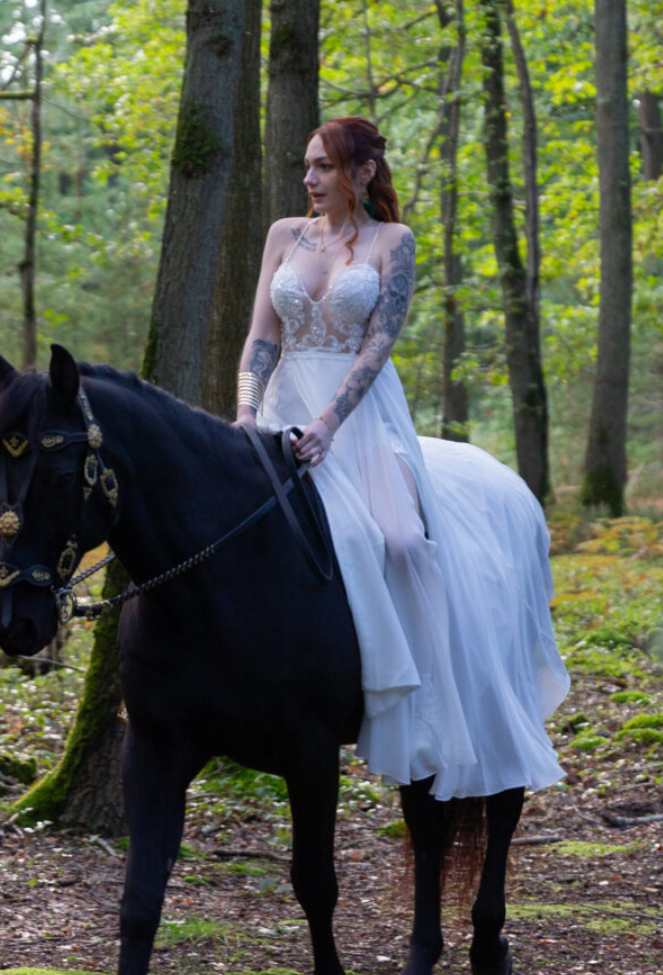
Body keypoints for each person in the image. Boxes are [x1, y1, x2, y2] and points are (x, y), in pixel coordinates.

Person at [234, 116, 570, 800]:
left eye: (325, 167)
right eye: (307, 166)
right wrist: (244, 413)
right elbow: (261, 336)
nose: (309, 179)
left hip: (360, 420)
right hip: (280, 410)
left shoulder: (395, 242)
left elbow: (377, 345)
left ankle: (417, 708)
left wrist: (329, 424)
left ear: (362, 173)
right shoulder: (282, 236)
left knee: (401, 542)